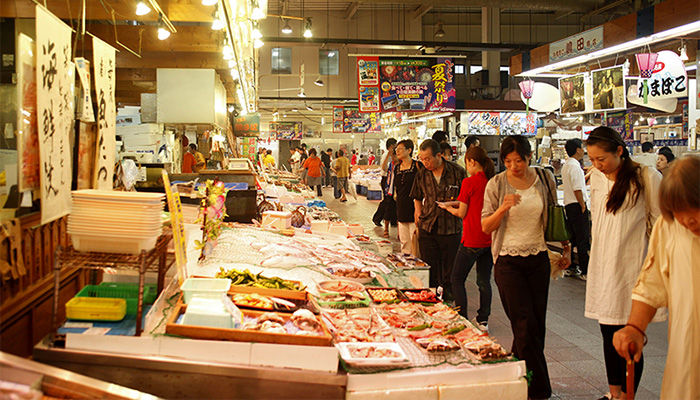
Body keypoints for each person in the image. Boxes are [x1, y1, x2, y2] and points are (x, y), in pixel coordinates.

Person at [481, 135, 572, 400]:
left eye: (518, 160)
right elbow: (485, 226)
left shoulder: (544, 179)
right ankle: (539, 389)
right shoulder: (496, 184)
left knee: (536, 325)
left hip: (538, 260)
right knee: (523, 322)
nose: (513, 166)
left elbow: (555, 214)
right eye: (507, 161)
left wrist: (565, 248)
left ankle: (516, 374)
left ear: (529, 157)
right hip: (508, 261)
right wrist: (503, 209)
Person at [585, 126, 664, 400]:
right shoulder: (596, 176)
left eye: (601, 159)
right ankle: (613, 393)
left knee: (630, 336)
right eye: (592, 159)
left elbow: (659, 223)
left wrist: (656, 265)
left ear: (619, 151)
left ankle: (628, 396)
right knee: (608, 331)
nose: (596, 165)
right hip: (604, 264)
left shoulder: (646, 176)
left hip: (632, 267)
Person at [612, 155, 699, 400]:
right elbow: (651, 282)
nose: (687, 221)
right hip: (687, 350)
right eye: (678, 213)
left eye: (693, 211)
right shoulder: (669, 226)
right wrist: (634, 327)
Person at [441, 146, 495, 331]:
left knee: (457, 279)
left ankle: (461, 317)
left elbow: (462, 212)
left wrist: (448, 208)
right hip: (489, 239)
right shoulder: (492, 182)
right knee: (484, 281)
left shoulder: (469, 183)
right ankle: (483, 320)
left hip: (471, 239)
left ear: (472, 162)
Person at [410, 139, 466, 302]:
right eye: (422, 159)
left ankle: (448, 300)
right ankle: (430, 299)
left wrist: (454, 205)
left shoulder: (457, 172)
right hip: (428, 226)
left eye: (427, 158)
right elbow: (417, 196)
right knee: (429, 267)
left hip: (451, 227)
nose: (424, 162)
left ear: (439, 155)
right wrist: (418, 213)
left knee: (450, 270)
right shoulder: (422, 173)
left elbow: (466, 198)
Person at [561, 138, 590, 280]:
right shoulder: (575, 166)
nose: (584, 150)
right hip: (578, 206)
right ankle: (585, 271)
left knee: (572, 239)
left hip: (569, 205)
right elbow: (577, 188)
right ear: (578, 149)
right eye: (582, 147)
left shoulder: (567, 165)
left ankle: (572, 267)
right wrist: (583, 205)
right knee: (583, 240)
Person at [392, 139, 421, 254]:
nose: (397, 151)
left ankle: (417, 265)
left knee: (415, 240)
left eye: (400, 149)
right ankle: (406, 263)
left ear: (409, 150)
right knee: (404, 241)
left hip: (415, 206)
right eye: (396, 149)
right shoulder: (397, 168)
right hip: (401, 205)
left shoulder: (417, 166)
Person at [373, 139, 399, 231]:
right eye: (395, 145)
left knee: (391, 201)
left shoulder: (394, 155)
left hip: (393, 178)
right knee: (387, 201)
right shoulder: (386, 155)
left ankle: (392, 220)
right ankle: (378, 218)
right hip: (387, 179)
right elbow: (384, 168)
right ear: (391, 146)